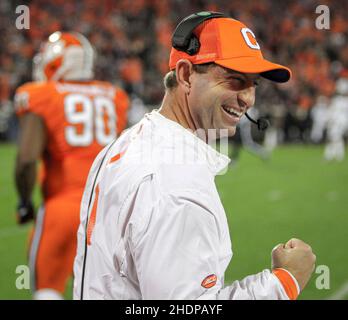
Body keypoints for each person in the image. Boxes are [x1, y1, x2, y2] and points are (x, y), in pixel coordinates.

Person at [73, 12, 316, 300]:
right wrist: (283, 284)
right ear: (186, 75)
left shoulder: (125, 143)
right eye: (234, 79)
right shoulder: (177, 183)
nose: (248, 98)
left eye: (254, 84)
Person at [14, 31, 130, 300]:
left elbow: (27, 159)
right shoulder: (115, 96)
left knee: (47, 290)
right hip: (107, 210)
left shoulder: (42, 94)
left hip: (63, 206)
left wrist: (23, 201)